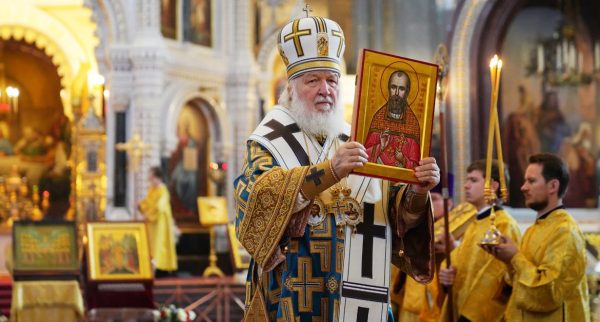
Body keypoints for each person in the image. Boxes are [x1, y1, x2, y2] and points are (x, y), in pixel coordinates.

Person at [234, 13, 440, 322]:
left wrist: (417, 191)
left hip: (359, 291)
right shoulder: (269, 140)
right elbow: (257, 204)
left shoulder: (360, 141)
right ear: (290, 88)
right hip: (294, 290)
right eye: (312, 80)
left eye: (331, 80)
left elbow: (397, 217)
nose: (325, 89)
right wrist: (331, 170)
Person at [483, 153, 590, 321]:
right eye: (525, 181)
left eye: (531, 181)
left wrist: (514, 256)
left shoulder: (565, 231)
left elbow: (548, 292)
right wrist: (507, 260)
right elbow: (521, 282)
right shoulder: (533, 229)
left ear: (553, 186)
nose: (523, 187)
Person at [438, 159, 521, 322]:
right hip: (460, 308)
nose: (466, 186)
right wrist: (446, 273)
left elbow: (496, 278)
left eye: (473, 180)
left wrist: (470, 317)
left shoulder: (503, 224)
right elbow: (458, 262)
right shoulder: (475, 224)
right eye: (467, 180)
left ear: (494, 186)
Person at [364, 70, 421, 169]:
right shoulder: (378, 119)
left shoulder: (413, 125)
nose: (397, 93)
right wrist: (380, 147)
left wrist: (403, 159)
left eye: (401, 89)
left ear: (407, 92)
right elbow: (363, 157)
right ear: (388, 89)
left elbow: (417, 168)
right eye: (393, 87)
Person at [139, 166, 178, 276]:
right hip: (151, 224)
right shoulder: (152, 189)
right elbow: (147, 202)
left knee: (158, 246)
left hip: (159, 225)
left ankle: (157, 269)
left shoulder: (162, 190)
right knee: (150, 247)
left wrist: (148, 214)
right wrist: (140, 205)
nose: (149, 178)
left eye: (151, 176)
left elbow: (159, 207)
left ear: (157, 176)